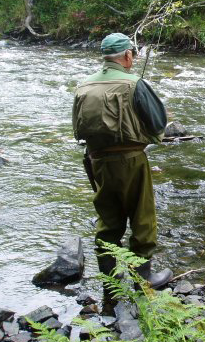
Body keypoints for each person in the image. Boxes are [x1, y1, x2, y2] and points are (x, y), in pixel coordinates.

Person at [72, 33, 172, 294]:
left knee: (108, 218)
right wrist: (150, 138)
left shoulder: (83, 85)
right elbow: (158, 123)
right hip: (131, 161)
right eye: (133, 55)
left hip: (96, 162)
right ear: (128, 56)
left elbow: (77, 129)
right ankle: (143, 278)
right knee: (142, 217)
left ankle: (110, 281)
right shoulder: (135, 83)